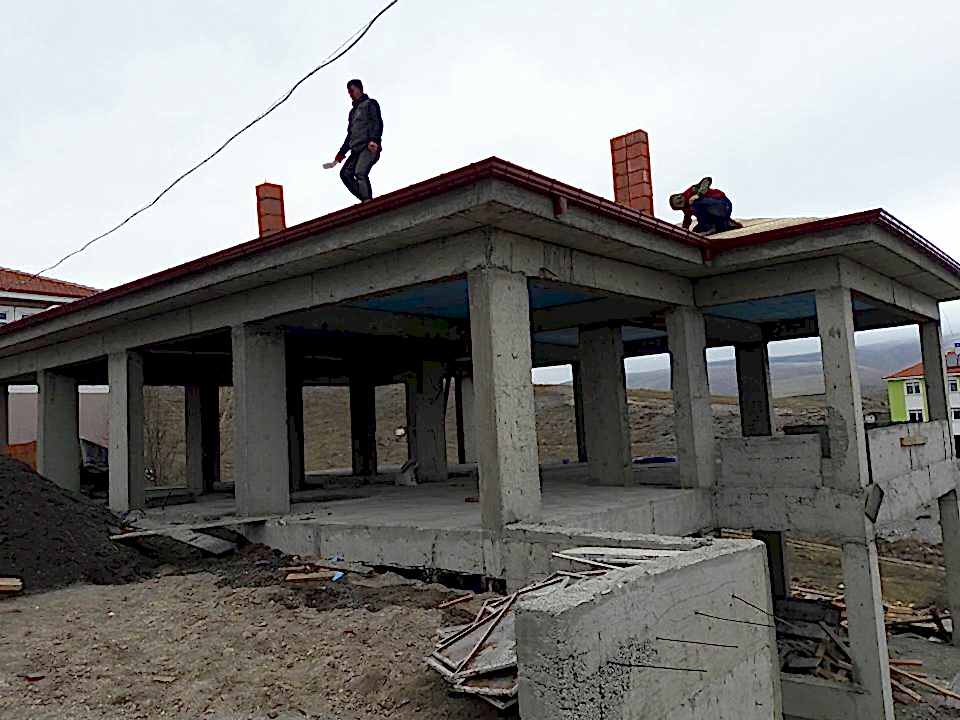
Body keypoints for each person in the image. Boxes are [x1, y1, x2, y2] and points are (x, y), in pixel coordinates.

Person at [333, 79, 383, 203]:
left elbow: (376, 122)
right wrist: (340, 154)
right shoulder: (353, 113)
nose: (350, 94)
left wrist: (374, 140)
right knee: (345, 174)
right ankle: (364, 199)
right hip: (356, 150)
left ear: (359, 89)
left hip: (368, 146)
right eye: (349, 92)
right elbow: (350, 135)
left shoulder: (370, 103)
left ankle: (367, 201)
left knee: (360, 172)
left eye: (352, 90)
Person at [669, 177, 742, 235]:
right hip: (717, 215)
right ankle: (726, 224)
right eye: (679, 203)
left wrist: (698, 194)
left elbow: (707, 180)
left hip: (722, 204)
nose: (680, 199)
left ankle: (711, 226)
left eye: (678, 197)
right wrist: (684, 231)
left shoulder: (692, 190)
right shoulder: (686, 209)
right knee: (696, 231)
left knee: (695, 203)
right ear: (680, 207)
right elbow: (686, 221)